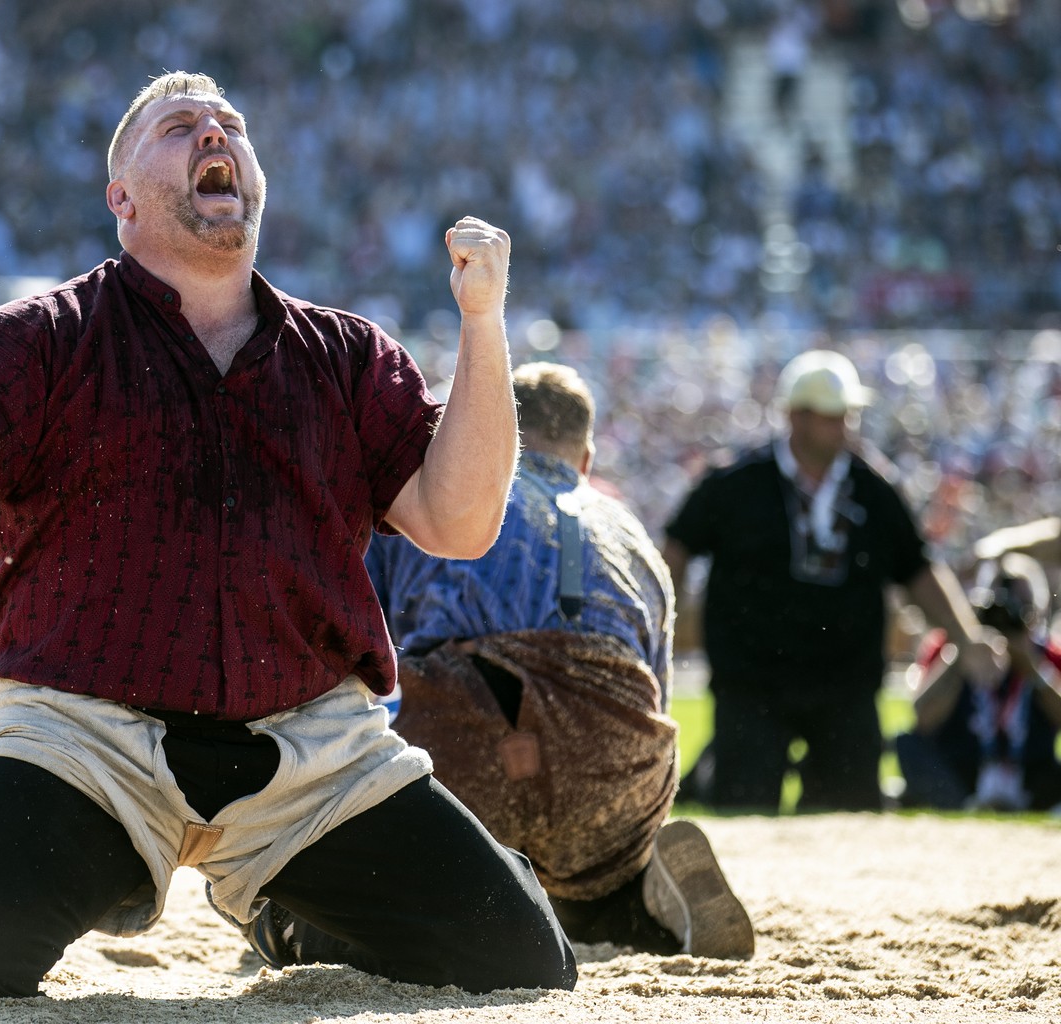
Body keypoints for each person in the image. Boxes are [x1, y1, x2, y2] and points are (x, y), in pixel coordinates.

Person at [0, 71, 576, 997]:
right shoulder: (41, 335)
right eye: (178, 127)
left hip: (315, 755)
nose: (213, 135)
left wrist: (483, 322)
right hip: (86, 739)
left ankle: (290, 916)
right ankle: (121, 868)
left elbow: (460, 521)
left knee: (521, 961)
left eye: (230, 124)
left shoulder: (348, 353)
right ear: (121, 198)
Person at [365, 361, 753, 960]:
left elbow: (359, 657)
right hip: (607, 752)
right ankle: (638, 897)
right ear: (588, 458)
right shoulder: (633, 538)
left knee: (357, 871)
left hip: (462, 745)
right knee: (589, 867)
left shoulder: (437, 498)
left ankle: (332, 912)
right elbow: (656, 697)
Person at [661, 349, 1006, 811]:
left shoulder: (874, 487)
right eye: (832, 417)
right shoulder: (735, 482)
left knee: (850, 818)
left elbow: (917, 569)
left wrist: (966, 637)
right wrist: (660, 627)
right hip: (751, 682)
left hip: (846, 683)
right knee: (743, 810)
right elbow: (677, 550)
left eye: (847, 416)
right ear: (795, 417)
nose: (844, 427)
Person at [895, 553, 1061, 811]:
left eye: (1021, 607)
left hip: (1031, 773)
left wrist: (1033, 670)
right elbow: (922, 720)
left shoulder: (1047, 656)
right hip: (964, 772)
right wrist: (962, 652)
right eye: (998, 605)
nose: (1007, 616)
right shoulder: (949, 647)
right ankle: (961, 805)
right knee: (906, 743)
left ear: (1038, 614)